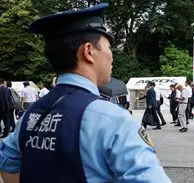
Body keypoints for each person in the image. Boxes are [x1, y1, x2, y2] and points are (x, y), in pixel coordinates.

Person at [0, 4, 170, 182]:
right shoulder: (112, 119)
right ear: (88, 51)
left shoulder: (30, 115)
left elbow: (9, 168)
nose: (112, 57)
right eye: (109, 48)